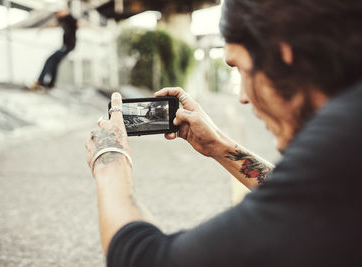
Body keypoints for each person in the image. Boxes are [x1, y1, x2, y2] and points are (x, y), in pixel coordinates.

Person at [85, 0, 362, 266]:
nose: (243, 96)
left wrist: (111, 159)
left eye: (241, 68)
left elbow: (147, 260)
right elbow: (305, 202)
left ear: (283, 55)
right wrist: (218, 145)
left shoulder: (341, 144)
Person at [30, 9, 78, 91]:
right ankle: (50, 84)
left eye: (58, 13)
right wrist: (43, 28)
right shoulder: (61, 19)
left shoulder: (71, 18)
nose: (57, 16)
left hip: (68, 46)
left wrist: (96, 29)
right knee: (54, 63)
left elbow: (80, 23)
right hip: (65, 46)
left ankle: (40, 81)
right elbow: (54, 24)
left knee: (49, 60)